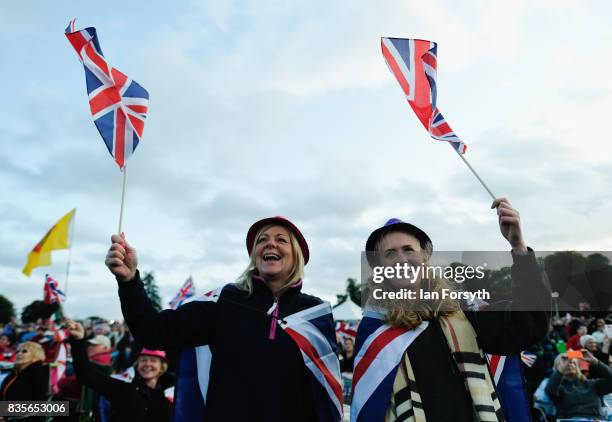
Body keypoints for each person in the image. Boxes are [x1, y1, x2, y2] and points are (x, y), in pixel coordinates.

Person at [105, 216, 341, 421]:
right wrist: (129, 281)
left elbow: (325, 396)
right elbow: (153, 332)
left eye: (281, 239)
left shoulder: (316, 313)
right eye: (262, 240)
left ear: (296, 254)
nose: (270, 243)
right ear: (254, 256)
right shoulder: (223, 300)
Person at [352, 198, 551, 421]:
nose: (402, 260)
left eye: (409, 249)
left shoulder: (464, 310)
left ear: (424, 256)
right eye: (390, 254)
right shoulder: (375, 328)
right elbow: (370, 410)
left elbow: (528, 325)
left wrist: (519, 248)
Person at [66, 319, 173, 422]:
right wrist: (78, 341)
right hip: (68, 405)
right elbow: (86, 375)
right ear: (138, 364)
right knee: (56, 408)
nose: (147, 364)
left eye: (153, 361)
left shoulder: (170, 394)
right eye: (143, 360)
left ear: (162, 367)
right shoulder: (124, 386)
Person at [545, 350, 612, 420]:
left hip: (594, 419)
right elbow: (551, 391)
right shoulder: (556, 386)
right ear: (557, 368)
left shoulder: (592, 384)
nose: (569, 364)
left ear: (577, 367)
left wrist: (596, 362)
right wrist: (561, 371)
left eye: (572, 362)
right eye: (564, 362)